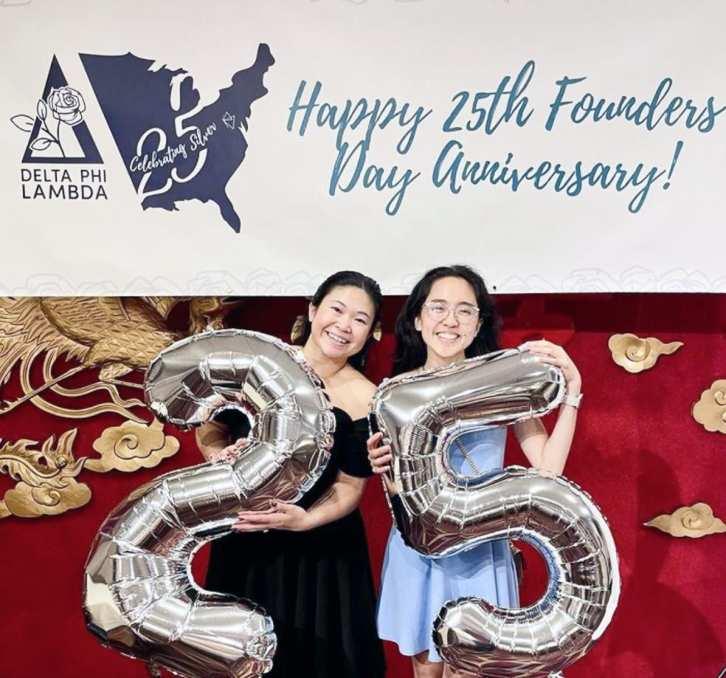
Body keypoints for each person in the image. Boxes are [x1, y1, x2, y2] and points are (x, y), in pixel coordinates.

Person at [368, 265, 582, 678]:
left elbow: (548, 468)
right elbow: (397, 491)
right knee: (425, 670)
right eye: (438, 308)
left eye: (465, 310)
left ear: (478, 323)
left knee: (471, 670)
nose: (450, 320)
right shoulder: (394, 392)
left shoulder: (501, 383)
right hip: (420, 549)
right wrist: (384, 470)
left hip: (480, 552)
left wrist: (572, 393)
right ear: (418, 319)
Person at [196, 270, 386, 678]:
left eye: (359, 319)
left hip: (322, 552)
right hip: (247, 538)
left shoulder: (367, 397)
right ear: (313, 311)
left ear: (371, 332)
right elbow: (210, 427)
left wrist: (306, 520)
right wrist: (218, 456)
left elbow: (351, 486)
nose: (344, 325)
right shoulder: (260, 365)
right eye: (336, 310)